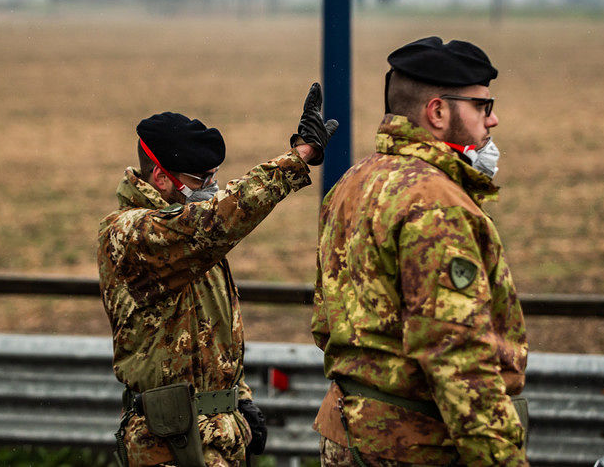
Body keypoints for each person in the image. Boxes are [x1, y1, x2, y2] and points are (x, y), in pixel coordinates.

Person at [311, 37, 529, 466]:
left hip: (348, 433)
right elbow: (457, 355)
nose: (494, 119)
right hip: (414, 448)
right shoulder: (435, 203)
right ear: (438, 112)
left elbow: (326, 323)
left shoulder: (355, 181)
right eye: (483, 106)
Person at [98, 83, 337, 467]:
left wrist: (238, 398)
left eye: (214, 177)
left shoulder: (192, 247)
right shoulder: (132, 235)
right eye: (199, 180)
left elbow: (206, 333)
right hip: (169, 443)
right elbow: (213, 222)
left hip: (218, 438)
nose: (211, 188)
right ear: (161, 177)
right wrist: (297, 159)